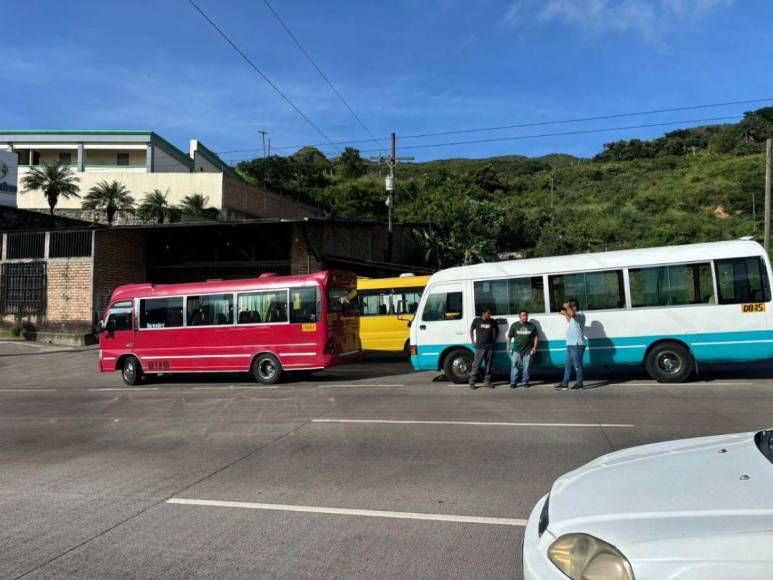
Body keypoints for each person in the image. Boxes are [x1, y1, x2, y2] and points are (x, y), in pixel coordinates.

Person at [555, 300, 585, 390]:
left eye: (570, 307)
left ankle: (579, 383)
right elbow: (569, 319)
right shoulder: (573, 316)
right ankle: (565, 383)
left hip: (577, 344)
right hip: (570, 343)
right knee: (567, 365)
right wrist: (565, 314)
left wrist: (567, 307)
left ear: (573, 307)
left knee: (577, 365)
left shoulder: (580, 314)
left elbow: (573, 315)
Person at [507, 309, 538, 388]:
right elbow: (509, 336)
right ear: (519, 316)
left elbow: (536, 337)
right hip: (516, 350)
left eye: (526, 315)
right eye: (523, 315)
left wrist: (534, 347)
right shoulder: (514, 325)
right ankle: (513, 382)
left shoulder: (531, 326)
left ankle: (525, 382)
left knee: (526, 367)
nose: (525, 317)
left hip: (528, 350)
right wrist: (508, 346)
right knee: (514, 366)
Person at [469, 306, 498, 389]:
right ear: (483, 313)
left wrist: (494, 341)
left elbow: (496, 331)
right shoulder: (476, 321)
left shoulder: (492, 321)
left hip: (490, 347)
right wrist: (473, 341)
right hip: (480, 347)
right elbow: (471, 330)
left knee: (488, 365)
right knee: (476, 365)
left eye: (490, 313)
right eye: (488, 313)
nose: (490, 315)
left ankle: (487, 382)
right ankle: (472, 382)